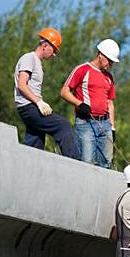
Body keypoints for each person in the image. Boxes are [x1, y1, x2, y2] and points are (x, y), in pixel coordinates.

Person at [14, 28, 80, 159]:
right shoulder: (29, 58)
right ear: (45, 46)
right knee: (63, 125)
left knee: (36, 140)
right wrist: (38, 102)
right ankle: (76, 162)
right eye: (54, 49)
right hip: (29, 106)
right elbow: (22, 84)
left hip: (29, 107)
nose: (54, 54)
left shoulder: (37, 62)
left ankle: (30, 164)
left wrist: (40, 101)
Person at [60, 38, 120, 168]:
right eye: (109, 60)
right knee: (87, 163)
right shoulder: (82, 70)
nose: (110, 64)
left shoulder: (109, 77)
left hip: (105, 124)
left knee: (106, 163)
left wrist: (112, 127)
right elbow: (64, 92)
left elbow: (110, 102)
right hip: (85, 123)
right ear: (100, 55)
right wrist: (79, 104)